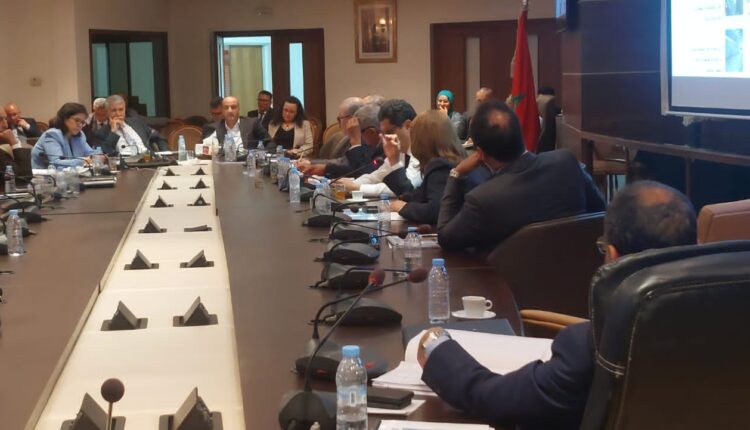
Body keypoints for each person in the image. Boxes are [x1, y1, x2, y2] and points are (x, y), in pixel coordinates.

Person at [419, 180, 698, 430]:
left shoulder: (592, 347)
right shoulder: (722, 328)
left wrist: (436, 346)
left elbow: (489, 397)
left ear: (612, 256)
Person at [437, 100, 605, 251]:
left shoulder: (483, 199)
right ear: (520, 133)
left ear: (480, 153)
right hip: (581, 270)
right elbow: (601, 212)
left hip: (511, 276)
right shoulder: (566, 163)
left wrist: (456, 174)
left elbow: (446, 237)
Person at [383, 110, 465, 224]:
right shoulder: (456, 160)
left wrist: (404, 207)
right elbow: (423, 195)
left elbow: (436, 210)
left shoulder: (440, 167)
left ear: (420, 140)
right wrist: (407, 198)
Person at [338, 99, 421, 197]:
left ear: (408, 126)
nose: (384, 139)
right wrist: (351, 184)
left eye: (389, 132)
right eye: (383, 133)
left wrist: (357, 188)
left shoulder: (423, 150)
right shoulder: (400, 149)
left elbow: (406, 187)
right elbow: (377, 176)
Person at [298, 104, 383, 178]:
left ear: (371, 132)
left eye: (357, 131)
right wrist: (323, 168)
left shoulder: (384, 149)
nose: (353, 133)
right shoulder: (371, 142)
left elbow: (361, 172)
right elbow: (346, 162)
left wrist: (355, 142)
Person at [91, 95, 168, 156]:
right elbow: (105, 152)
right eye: (114, 110)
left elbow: (159, 138)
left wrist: (165, 154)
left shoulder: (137, 122)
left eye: (121, 110)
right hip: (125, 166)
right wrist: (113, 131)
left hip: (148, 161)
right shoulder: (100, 133)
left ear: (125, 110)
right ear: (107, 112)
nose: (118, 113)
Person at [31, 103, 98, 169]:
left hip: (70, 174)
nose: (80, 125)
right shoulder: (52, 135)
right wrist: (83, 161)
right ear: (65, 119)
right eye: (77, 120)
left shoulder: (80, 136)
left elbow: (91, 154)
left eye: (82, 122)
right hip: (43, 175)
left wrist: (99, 156)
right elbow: (56, 163)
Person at [203, 96, 270, 150]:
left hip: (248, 160)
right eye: (226, 108)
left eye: (233, 107)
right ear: (222, 111)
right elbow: (202, 148)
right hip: (223, 161)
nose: (230, 111)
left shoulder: (252, 123)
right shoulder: (213, 128)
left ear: (238, 109)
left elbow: (269, 142)